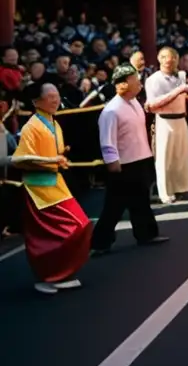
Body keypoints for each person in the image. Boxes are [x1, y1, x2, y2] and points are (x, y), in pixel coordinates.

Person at [12, 83, 92, 294]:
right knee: (55, 233)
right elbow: (19, 159)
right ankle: (49, 275)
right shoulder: (31, 126)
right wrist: (51, 159)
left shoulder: (53, 123)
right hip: (39, 189)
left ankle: (61, 272)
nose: (55, 100)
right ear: (37, 102)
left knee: (77, 227)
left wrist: (59, 155)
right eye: (50, 97)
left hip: (55, 183)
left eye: (57, 96)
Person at [92, 66, 167, 255]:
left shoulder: (134, 103)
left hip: (140, 158)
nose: (139, 83)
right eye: (135, 79)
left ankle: (146, 234)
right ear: (123, 84)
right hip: (123, 163)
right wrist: (112, 161)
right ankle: (100, 242)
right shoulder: (111, 110)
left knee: (141, 201)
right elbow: (107, 140)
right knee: (114, 205)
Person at [145, 47, 188, 204]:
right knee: (164, 158)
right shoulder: (153, 79)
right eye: (166, 57)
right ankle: (164, 192)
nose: (170, 60)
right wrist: (177, 91)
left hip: (181, 119)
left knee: (181, 157)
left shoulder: (181, 76)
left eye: (173, 57)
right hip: (164, 120)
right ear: (160, 59)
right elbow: (152, 104)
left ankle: (181, 187)